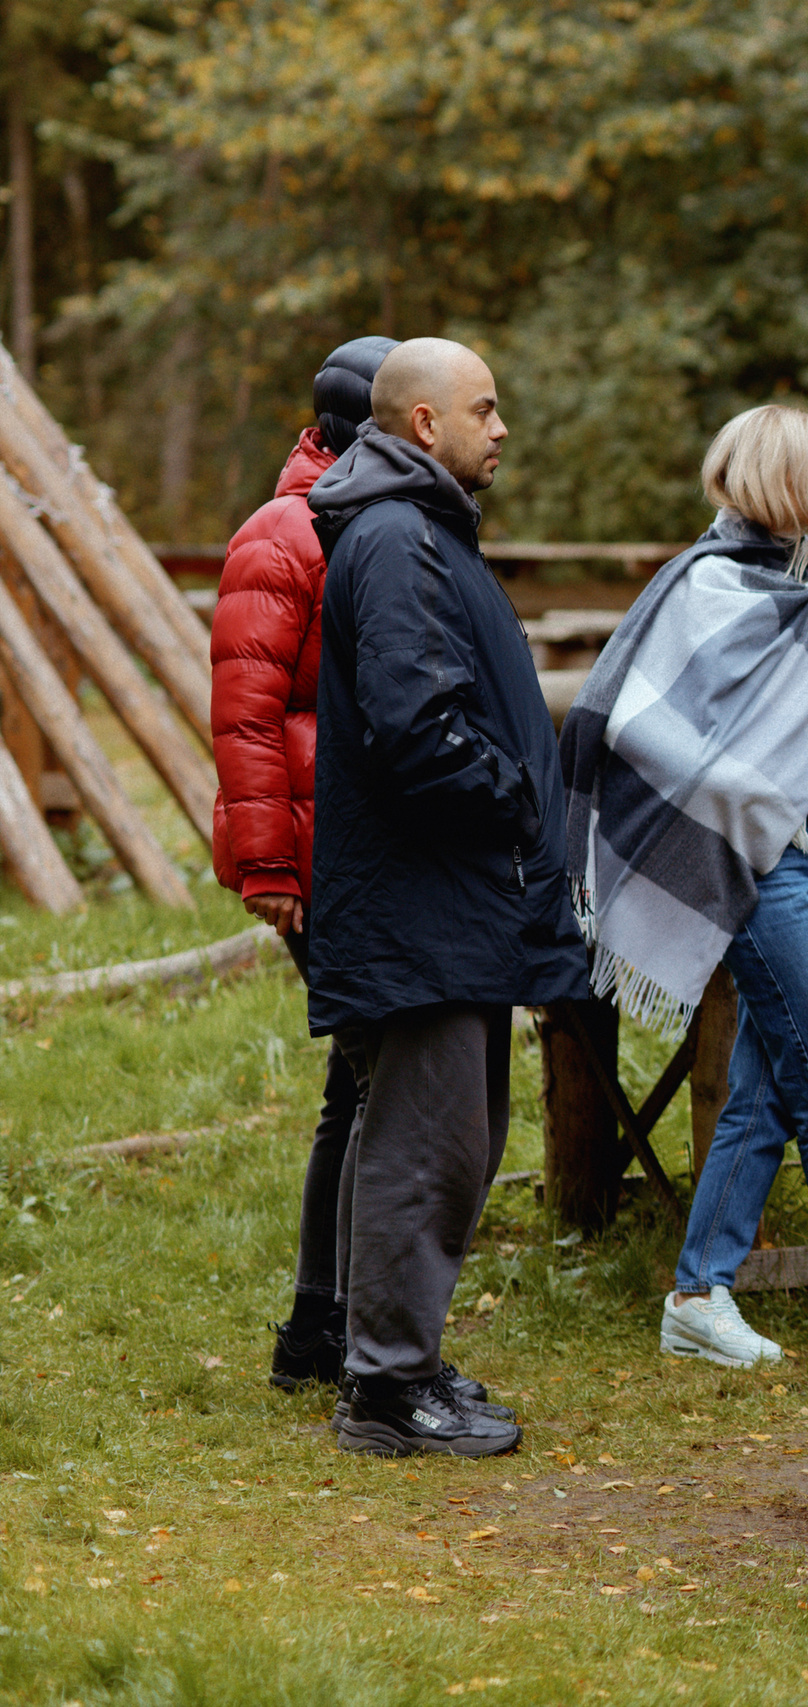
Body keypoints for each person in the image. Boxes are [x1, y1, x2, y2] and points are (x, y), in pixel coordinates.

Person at [558, 404, 808, 1369]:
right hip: (766, 865)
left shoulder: (799, 585)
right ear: (777, 475)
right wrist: (752, 804)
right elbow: (645, 725)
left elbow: (790, 712)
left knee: (772, 1088)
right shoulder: (707, 586)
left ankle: (698, 1291)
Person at [306, 337, 588, 1456]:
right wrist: (517, 801)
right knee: (424, 1150)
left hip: (452, 897)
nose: (502, 426)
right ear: (424, 424)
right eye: (485, 407)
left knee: (453, 1146)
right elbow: (416, 727)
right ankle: (383, 1393)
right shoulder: (392, 536)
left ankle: (403, 1361)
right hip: (423, 897)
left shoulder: (419, 528)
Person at [209, 332, 394, 1394]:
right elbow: (245, 717)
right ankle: (334, 1327)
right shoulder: (288, 533)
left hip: (360, 846)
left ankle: (316, 1326)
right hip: (314, 859)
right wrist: (272, 870)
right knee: (375, 1081)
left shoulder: (365, 518)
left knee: (355, 1088)